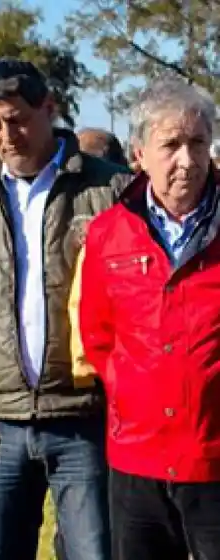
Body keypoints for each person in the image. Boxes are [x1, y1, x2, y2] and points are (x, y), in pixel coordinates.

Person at [0, 57, 131, 560]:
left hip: (84, 421)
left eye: (17, 119)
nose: (7, 135)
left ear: (49, 108)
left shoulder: (111, 191)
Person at [78, 77, 220, 560]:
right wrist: (135, 393)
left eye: (198, 142)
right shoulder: (107, 234)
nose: (187, 159)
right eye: (171, 145)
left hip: (214, 459)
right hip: (138, 459)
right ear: (139, 153)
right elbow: (97, 337)